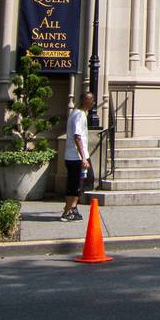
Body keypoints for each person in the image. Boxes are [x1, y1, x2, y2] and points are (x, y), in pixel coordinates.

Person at [61, 91, 94, 222]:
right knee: (76, 185)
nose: (93, 103)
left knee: (79, 183)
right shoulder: (79, 115)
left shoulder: (77, 113)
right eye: (91, 100)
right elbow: (77, 136)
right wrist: (83, 158)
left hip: (75, 156)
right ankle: (67, 211)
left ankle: (72, 208)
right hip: (76, 157)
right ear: (85, 101)